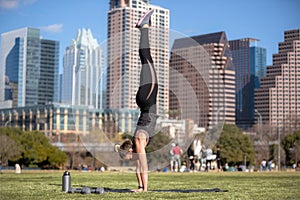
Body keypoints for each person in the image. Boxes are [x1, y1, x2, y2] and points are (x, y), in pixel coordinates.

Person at [114, 9, 158, 192]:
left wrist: (144, 189)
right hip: (144, 102)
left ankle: (144, 27)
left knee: (146, 59)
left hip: (147, 102)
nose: (129, 160)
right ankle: (144, 28)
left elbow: (144, 165)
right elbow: (139, 167)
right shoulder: (136, 141)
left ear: (129, 151)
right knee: (146, 61)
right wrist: (140, 186)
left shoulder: (139, 140)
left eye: (127, 158)